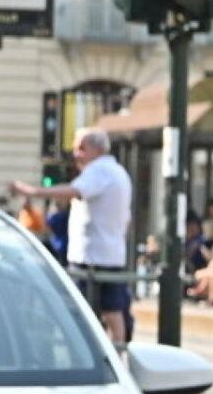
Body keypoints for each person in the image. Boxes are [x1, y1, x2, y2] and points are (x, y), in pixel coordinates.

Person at [13, 127, 133, 346]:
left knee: (82, 313)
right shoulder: (116, 172)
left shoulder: (99, 171)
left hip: (91, 258)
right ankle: (118, 354)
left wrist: (33, 192)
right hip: (109, 254)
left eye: (81, 148)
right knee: (112, 311)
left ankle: (90, 353)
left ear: (96, 149)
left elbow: (74, 191)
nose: (76, 154)